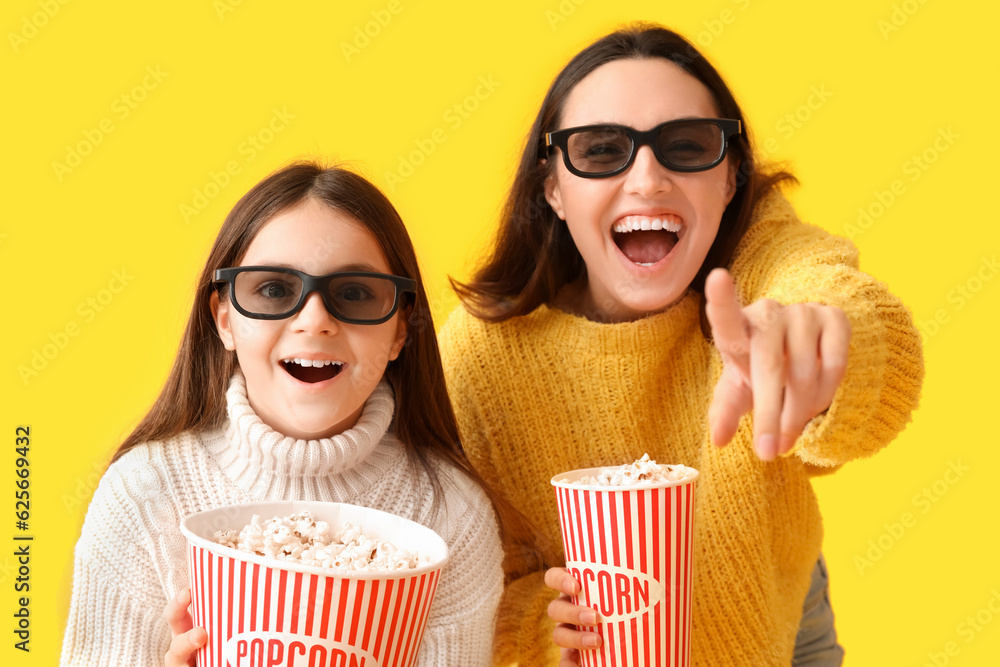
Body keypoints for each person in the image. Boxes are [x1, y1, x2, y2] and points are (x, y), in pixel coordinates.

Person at [438, 24, 924, 666]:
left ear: (729, 178)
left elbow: (834, 295)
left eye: (687, 146)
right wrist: (538, 627)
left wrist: (823, 343)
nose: (648, 179)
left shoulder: (759, 263)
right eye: (602, 148)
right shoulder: (479, 358)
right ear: (552, 187)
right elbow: (457, 593)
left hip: (770, 610)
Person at [59, 161, 504, 667]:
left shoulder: (449, 517)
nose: (314, 321)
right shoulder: (145, 495)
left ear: (401, 328)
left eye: (355, 292)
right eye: (273, 290)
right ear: (224, 319)